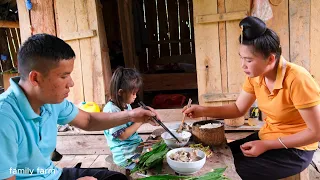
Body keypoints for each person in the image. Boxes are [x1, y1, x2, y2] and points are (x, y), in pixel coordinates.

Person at [0, 34, 159, 180]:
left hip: (51, 174)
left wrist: (132, 116)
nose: (71, 83)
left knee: (116, 178)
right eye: (64, 76)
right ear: (35, 78)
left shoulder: (50, 101)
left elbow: (88, 120)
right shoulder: (4, 118)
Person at [183, 16, 320, 180]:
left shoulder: (297, 79)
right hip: (267, 136)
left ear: (270, 58)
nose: (243, 65)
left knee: (221, 173)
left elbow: (316, 132)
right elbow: (238, 109)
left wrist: (266, 145)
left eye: (248, 60)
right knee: (213, 156)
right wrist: (202, 110)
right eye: (241, 57)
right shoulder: (256, 76)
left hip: (295, 150)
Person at [103, 67, 144, 167]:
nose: (135, 96)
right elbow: (122, 136)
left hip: (133, 148)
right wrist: (140, 121)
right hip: (126, 156)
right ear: (120, 92)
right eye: (133, 93)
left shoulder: (125, 104)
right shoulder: (111, 110)